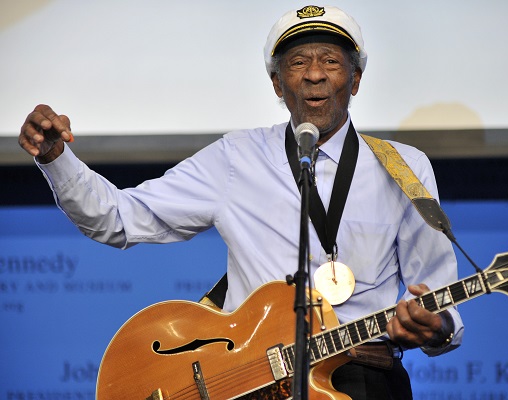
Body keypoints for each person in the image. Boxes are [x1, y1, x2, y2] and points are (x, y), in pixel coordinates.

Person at [19, 5, 463, 399]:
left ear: (356, 79)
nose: (314, 74)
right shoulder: (236, 158)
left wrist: (436, 328)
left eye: (331, 61)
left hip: (365, 379)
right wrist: (57, 159)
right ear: (276, 83)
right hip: (254, 385)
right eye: (297, 63)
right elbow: (116, 218)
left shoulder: (405, 168)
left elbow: (438, 298)